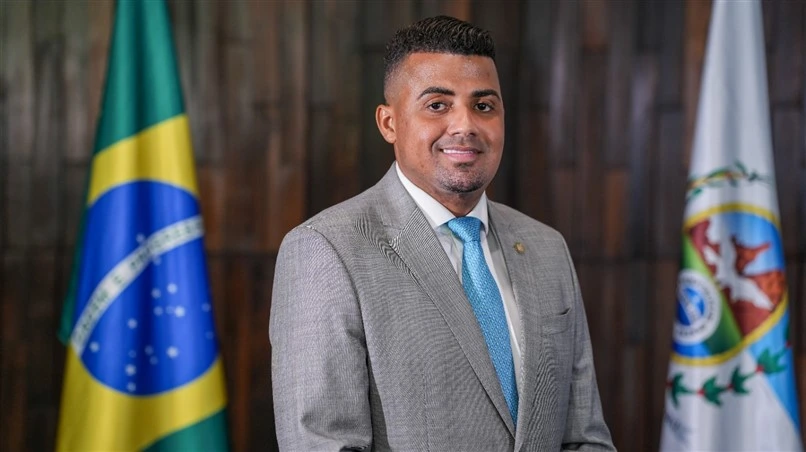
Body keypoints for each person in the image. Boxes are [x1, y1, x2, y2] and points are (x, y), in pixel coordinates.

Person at [270, 15, 615, 451]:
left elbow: (585, 437)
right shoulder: (326, 251)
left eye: (483, 106)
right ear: (389, 123)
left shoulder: (547, 248)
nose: (465, 125)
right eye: (437, 105)